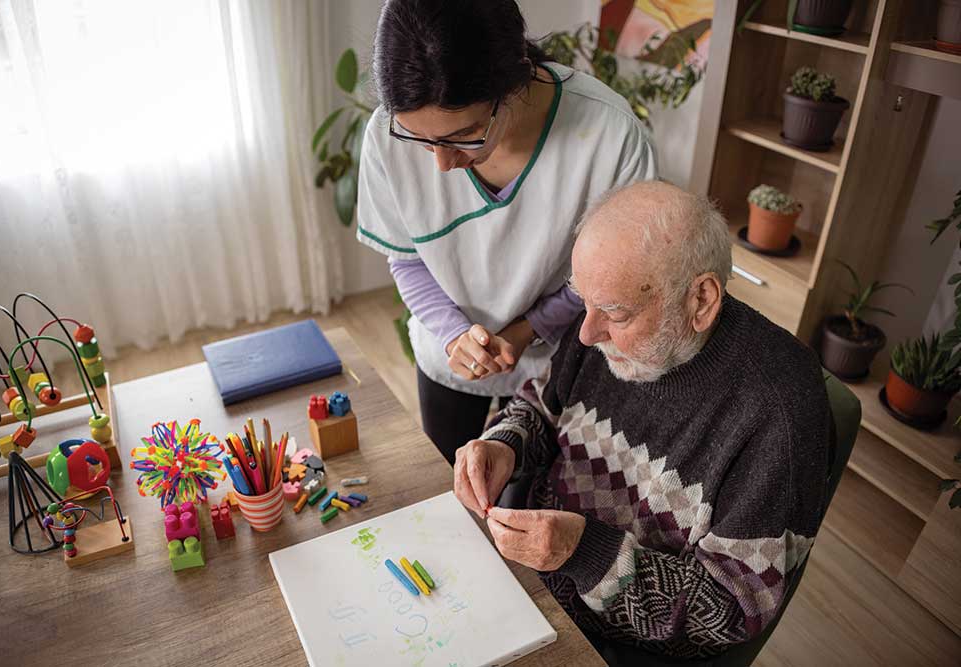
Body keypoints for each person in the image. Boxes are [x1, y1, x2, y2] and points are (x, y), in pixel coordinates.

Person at [453, 181, 831, 662]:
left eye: (616, 313)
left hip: (616, 645)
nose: (587, 334)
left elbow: (733, 609)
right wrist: (505, 444)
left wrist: (582, 553)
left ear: (701, 301)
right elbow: (539, 406)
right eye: (583, 303)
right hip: (526, 579)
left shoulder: (779, 411)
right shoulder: (603, 315)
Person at [356, 0, 657, 465]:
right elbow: (408, 258)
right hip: (448, 353)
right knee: (452, 484)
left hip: (558, 361)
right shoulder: (385, 135)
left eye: (466, 134)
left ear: (514, 78)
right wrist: (455, 335)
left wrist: (527, 329)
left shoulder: (609, 135)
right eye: (422, 140)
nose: (441, 163)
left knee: (531, 498)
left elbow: (608, 276)